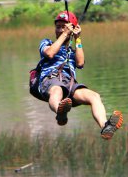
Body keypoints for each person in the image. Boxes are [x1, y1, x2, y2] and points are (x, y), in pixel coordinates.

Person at [37, 11, 123, 140]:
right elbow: (49, 53)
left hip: (70, 84)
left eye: (63, 27)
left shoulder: (72, 51)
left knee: (94, 96)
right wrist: (65, 34)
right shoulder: (47, 43)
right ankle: (60, 112)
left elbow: (80, 63)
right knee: (57, 90)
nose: (60, 30)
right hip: (50, 80)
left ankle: (105, 127)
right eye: (58, 27)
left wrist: (77, 38)